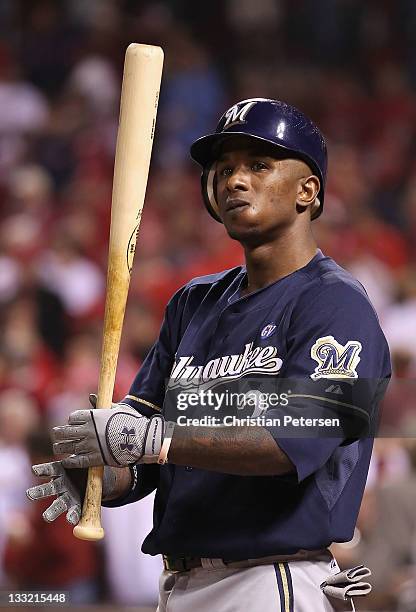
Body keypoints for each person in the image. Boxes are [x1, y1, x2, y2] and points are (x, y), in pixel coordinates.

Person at [27, 98, 391, 612]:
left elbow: (292, 442)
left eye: (259, 166)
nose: (234, 180)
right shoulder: (194, 302)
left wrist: (147, 439)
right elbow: (147, 452)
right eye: (223, 169)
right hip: (180, 583)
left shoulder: (335, 303)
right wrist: (102, 470)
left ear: (309, 191)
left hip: (271, 579)